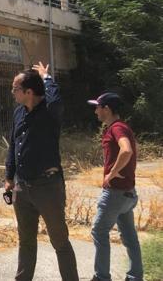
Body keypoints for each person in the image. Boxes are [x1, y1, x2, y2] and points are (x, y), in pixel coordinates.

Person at [5, 62, 78, 281]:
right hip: (22, 187)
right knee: (26, 241)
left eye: (15, 88)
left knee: (60, 241)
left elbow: (55, 99)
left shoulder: (49, 111)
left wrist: (46, 77)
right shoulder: (19, 113)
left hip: (47, 187)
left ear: (29, 92)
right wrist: (9, 177)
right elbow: (13, 145)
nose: (12, 92)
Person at [88, 92, 143, 281]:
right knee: (129, 237)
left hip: (115, 194)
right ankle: (135, 276)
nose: (95, 111)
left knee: (99, 231)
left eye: (98, 107)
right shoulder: (122, 127)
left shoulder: (117, 128)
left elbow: (126, 150)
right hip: (128, 193)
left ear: (107, 109)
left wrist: (111, 173)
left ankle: (101, 277)